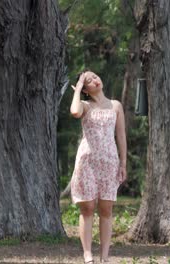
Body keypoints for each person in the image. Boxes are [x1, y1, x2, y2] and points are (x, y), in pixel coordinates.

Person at [69, 69, 128, 263]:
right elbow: (74, 111)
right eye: (89, 81)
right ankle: (88, 254)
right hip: (87, 162)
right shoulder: (85, 105)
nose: (95, 80)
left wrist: (123, 163)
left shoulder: (116, 106)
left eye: (95, 76)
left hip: (109, 162)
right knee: (87, 208)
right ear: (85, 89)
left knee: (106, 210)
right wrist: (77, 90)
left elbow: (120, 136)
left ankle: (104, 257)